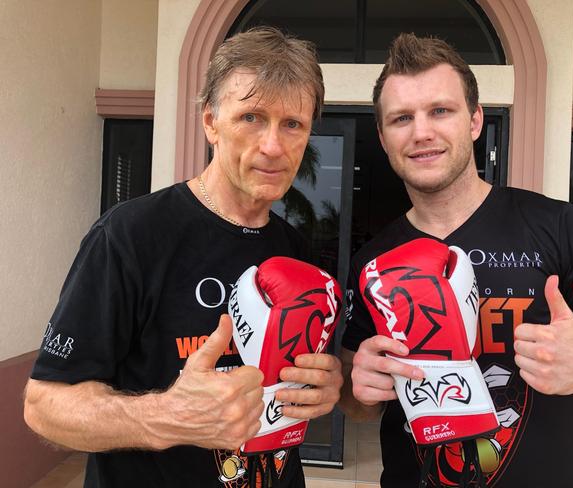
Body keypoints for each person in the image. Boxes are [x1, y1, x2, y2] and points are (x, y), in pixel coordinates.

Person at [24, 27, 343, 488]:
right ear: (211, 122)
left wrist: (323, 386)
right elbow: (45, 405)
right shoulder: (131, 235)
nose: (273, 145)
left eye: (293, 124)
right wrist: (168, 415)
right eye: (252, 117)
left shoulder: (295, 250)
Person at [338, 33, 573, 488]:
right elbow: (356, 399)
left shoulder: (559, 227)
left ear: (475, 120)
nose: (422, 132)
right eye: (402, 118)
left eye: (440, 110)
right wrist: (359, 387)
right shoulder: (372, 259)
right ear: (384, 138)